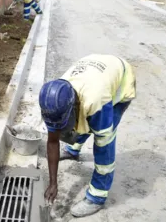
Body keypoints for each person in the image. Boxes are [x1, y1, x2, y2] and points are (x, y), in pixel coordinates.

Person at [39, 54, 136, 218]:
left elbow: (103, 145)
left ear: (74, 105)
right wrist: (53, 182)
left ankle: (97, 196)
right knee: (79, 123)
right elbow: (53, 141)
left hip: (121, 81)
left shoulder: (96, 101)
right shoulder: (54, 100)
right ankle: (73, 150)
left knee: (103, 138)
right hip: (95, 73)